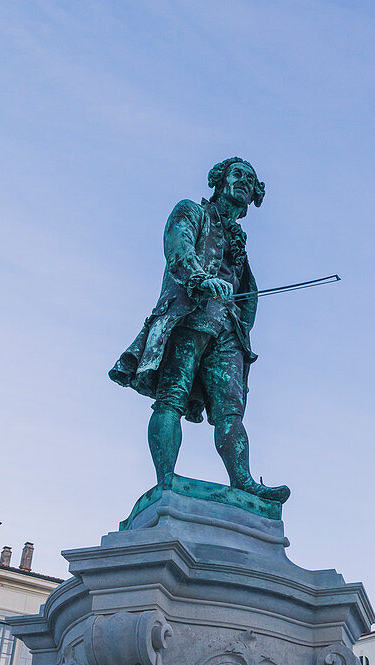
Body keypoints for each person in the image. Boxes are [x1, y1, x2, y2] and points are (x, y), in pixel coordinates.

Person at [109, 158, 289, 503]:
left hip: (228, 330)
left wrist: (243, 320)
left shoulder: (239, 241)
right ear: (219, 180)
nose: (243, 182)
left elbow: (245, 291)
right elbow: (178, 248)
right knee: (171, 398)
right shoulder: (191, 211)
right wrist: (199, 278)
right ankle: (166, 480)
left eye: (250, 180)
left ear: (254, 195)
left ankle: (244, 482)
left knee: (231, 412)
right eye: (237, 174)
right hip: (188, 316)